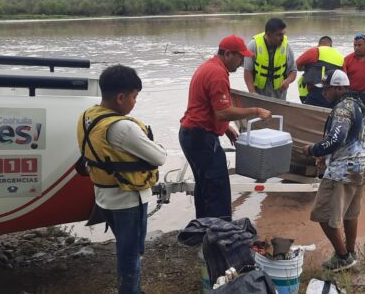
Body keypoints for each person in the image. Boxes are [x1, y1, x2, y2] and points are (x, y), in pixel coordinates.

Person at [77, 65, 167, 294]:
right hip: (128, 201)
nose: (135, 102)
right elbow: (160, 157)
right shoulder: (122, 128)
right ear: (120, 97)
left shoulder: (88, 116)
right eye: (134, 96)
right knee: (131, 255)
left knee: (125, 249)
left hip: (105, 197)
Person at [180, 34, 272, 220]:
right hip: (201, 137)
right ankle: (221, 236)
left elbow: (209, 108)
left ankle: (204, 230)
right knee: (218, 189)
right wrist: (255, 110)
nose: (241, 63)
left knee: (205, 187)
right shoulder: (217, 74)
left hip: (191, 134)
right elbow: (222, 112)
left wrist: (225, 127)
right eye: (240, 58)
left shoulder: (210, 66)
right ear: (228, 54)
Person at [302, 70, 365, 272]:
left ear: (340, 88)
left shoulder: (342, 109)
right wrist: (325, 156)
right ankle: (351, 253)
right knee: (350, 214)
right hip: (360, 166)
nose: (324, 93)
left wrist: (314, 150)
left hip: (343, 170)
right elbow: (349, 138)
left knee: (322, 214)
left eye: (328, 89)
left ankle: (342, 257)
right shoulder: (357, 104)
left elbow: (336, 139)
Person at [243, 18, 297, 100]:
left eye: (283, 34)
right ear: (268, 34)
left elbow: (293, 71)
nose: (282, 38)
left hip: (279, 94)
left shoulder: (286, 47)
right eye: (278, 35)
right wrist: (252, 93)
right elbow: (247, 72)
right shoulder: (253, 45)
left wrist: (287, 81)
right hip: (259, 92)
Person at [296, 35, 345, 107]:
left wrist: (306, 68)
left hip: (316, 91)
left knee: (309, 112)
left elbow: (297, 64)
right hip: (334, 94)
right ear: (331, 46)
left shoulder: (315, 51)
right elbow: (344, 78)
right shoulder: (341, 57)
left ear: (319, 45)